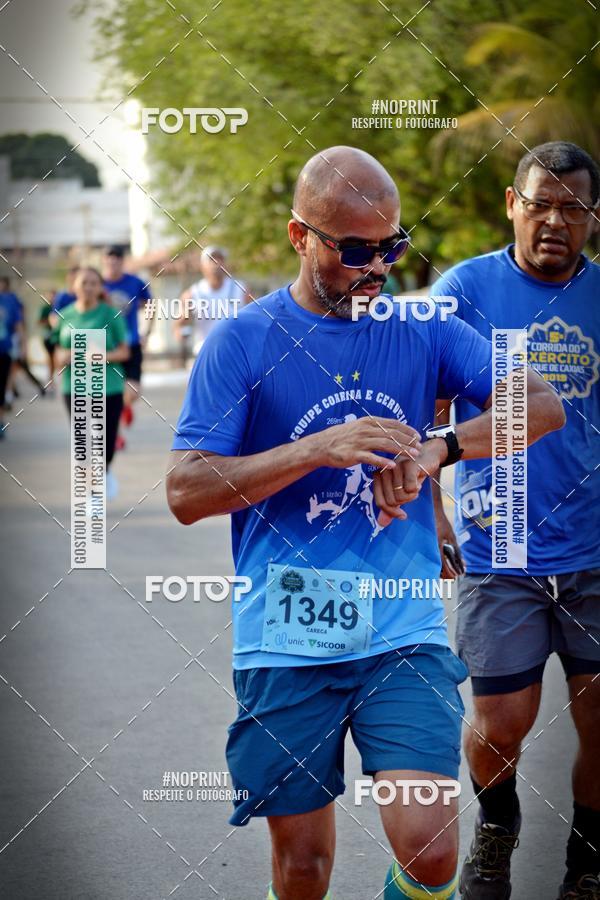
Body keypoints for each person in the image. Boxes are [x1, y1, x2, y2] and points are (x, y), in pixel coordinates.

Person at [166, 146, 564, 900]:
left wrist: (438, 447)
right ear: (300, 237)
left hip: (401, 630)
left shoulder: (423, 329)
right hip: (285, 633)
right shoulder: (242, 342)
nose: (375, 267)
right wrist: (316, 449)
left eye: (391, 246)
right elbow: (186, 491)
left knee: (434, 847)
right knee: (305, 866)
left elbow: (540, 407)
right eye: (354, 251)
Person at [431, 141, 600, 900]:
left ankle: (588, 859)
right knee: (500, 720)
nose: (555, 221)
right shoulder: (465, 291)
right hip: (499, 544)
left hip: (596, 548)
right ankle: (498, 825)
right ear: (511, 204)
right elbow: (423, 405)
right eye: (541, 204)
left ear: (593, 218)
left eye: (573, 208)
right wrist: (431, 507)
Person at [55, 267, 129, 500]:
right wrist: (63, 357)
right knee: (83, 443)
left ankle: (104, 472)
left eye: (93, 283)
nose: (88, 287)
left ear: (100, 288)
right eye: (84, 282)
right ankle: (93, 494)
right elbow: (57, 349)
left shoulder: (110, 315)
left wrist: (102, 356)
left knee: (105, 443)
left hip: (109, 387)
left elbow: (125, 351)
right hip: (75, 387)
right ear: (73, 286)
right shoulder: (64, 315)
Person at [102, 245, 153, 441]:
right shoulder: (98, 284)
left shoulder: (135, 282)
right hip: (107, 344)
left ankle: (124, 409)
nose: (112, 265)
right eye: (108, 261)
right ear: (104, 262)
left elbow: (150, 304)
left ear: (122, 262)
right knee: (109, 392)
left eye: (116, 261)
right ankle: (116, 435)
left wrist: (146, 332)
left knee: (133, 391)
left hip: (131, 342)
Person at [176, 246, 248, 355]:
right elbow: (179, 325)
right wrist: (182, 334)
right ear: (202, 266)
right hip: (206, 353)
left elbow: (256, 319)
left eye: (220, 259)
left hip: (236, 353)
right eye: (211, 260)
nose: (216, 264)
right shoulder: (192, 294)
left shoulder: (241, 290)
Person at [0, 277, 46, 399]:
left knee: (16, 367)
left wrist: (23, 343)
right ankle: (11, 392)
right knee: (16, 368)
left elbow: (20, 320)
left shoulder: (11, 300)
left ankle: (11, 393)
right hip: (10, 342)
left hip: (12, 342)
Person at [0, 281, 23, 436]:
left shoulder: (9, 300)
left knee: (1, 387)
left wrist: (22, 346)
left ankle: (0, 421)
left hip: (4, 351)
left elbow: (17, 325)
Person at [38, 289, 58, 389]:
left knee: (55, 358)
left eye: (54, 296)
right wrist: (51, 321)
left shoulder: (58, 306)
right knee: (50, 358)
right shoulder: (45, 308)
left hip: (57, 337)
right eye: (51, 296)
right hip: (47, 336)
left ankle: (52, 378)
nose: (52, 298)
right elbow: (39, 322)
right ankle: (50, 379)